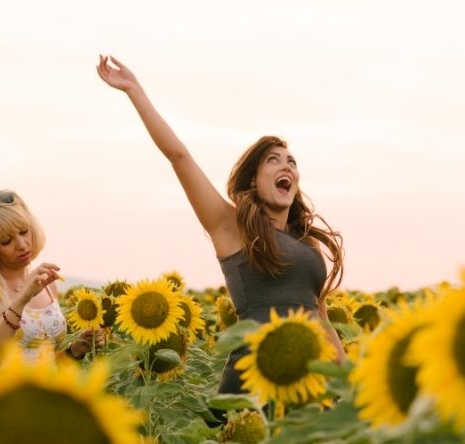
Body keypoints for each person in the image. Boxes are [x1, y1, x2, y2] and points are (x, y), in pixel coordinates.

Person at [96, 55, 345, 394]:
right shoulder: (231, 226)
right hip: (253, 375)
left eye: (291, 162)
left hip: (305, 381)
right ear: (253, 181)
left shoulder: (305, 243)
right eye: (272, 160)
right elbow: (178, 156)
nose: (286, 166)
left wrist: (346, 387)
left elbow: (321, 318)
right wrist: (134, 90)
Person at [0, 189, 105, 361]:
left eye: (24, 231)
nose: (22, 245)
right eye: (6, 241)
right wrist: (20, 301)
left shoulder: (47, 286)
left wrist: (74, 350)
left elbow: (47, 365)